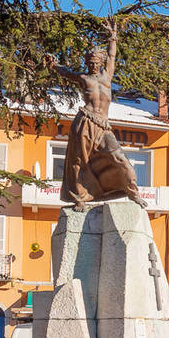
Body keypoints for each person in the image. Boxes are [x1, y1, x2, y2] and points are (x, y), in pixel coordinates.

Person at [42, 22, 144, 211]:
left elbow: (113, 56)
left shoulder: (107, 76)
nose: (93, 66)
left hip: (103, 126)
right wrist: (54, 65)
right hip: (85, 123)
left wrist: (113, 37)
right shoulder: (84, 78)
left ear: (101, 62)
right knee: (78, 162)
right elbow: (67, 73)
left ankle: (132, 192)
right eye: (89, 63)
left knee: (120, 158)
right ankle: (79, 197)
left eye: (96, 63)